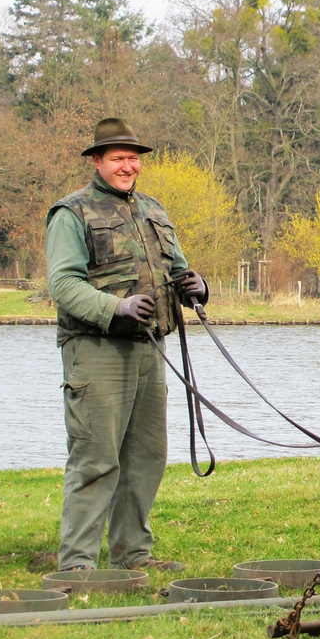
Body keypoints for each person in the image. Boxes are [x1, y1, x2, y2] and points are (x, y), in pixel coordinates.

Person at [45, 117, 209, 573]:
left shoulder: (153, 210)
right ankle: (77, 564)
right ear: (97, 161)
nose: (127, 165)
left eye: (133, 157)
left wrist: (196, 285)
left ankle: (132, 555)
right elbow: (63, 284)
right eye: (117, 157)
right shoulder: (71, 213)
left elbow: (178, 268)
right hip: (95, 351)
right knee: (95, 458)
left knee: (145, 457)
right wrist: (113, 309)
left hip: (149, 349)